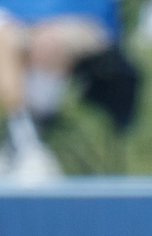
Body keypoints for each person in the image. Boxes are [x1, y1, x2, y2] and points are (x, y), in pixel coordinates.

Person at [0, 0, 120, 180]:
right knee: (5, 38)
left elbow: (98, 10)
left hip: (87, 24)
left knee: (47, 42)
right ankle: (25, 140)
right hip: (22, 28)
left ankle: (27, 141)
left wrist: (43, 24)